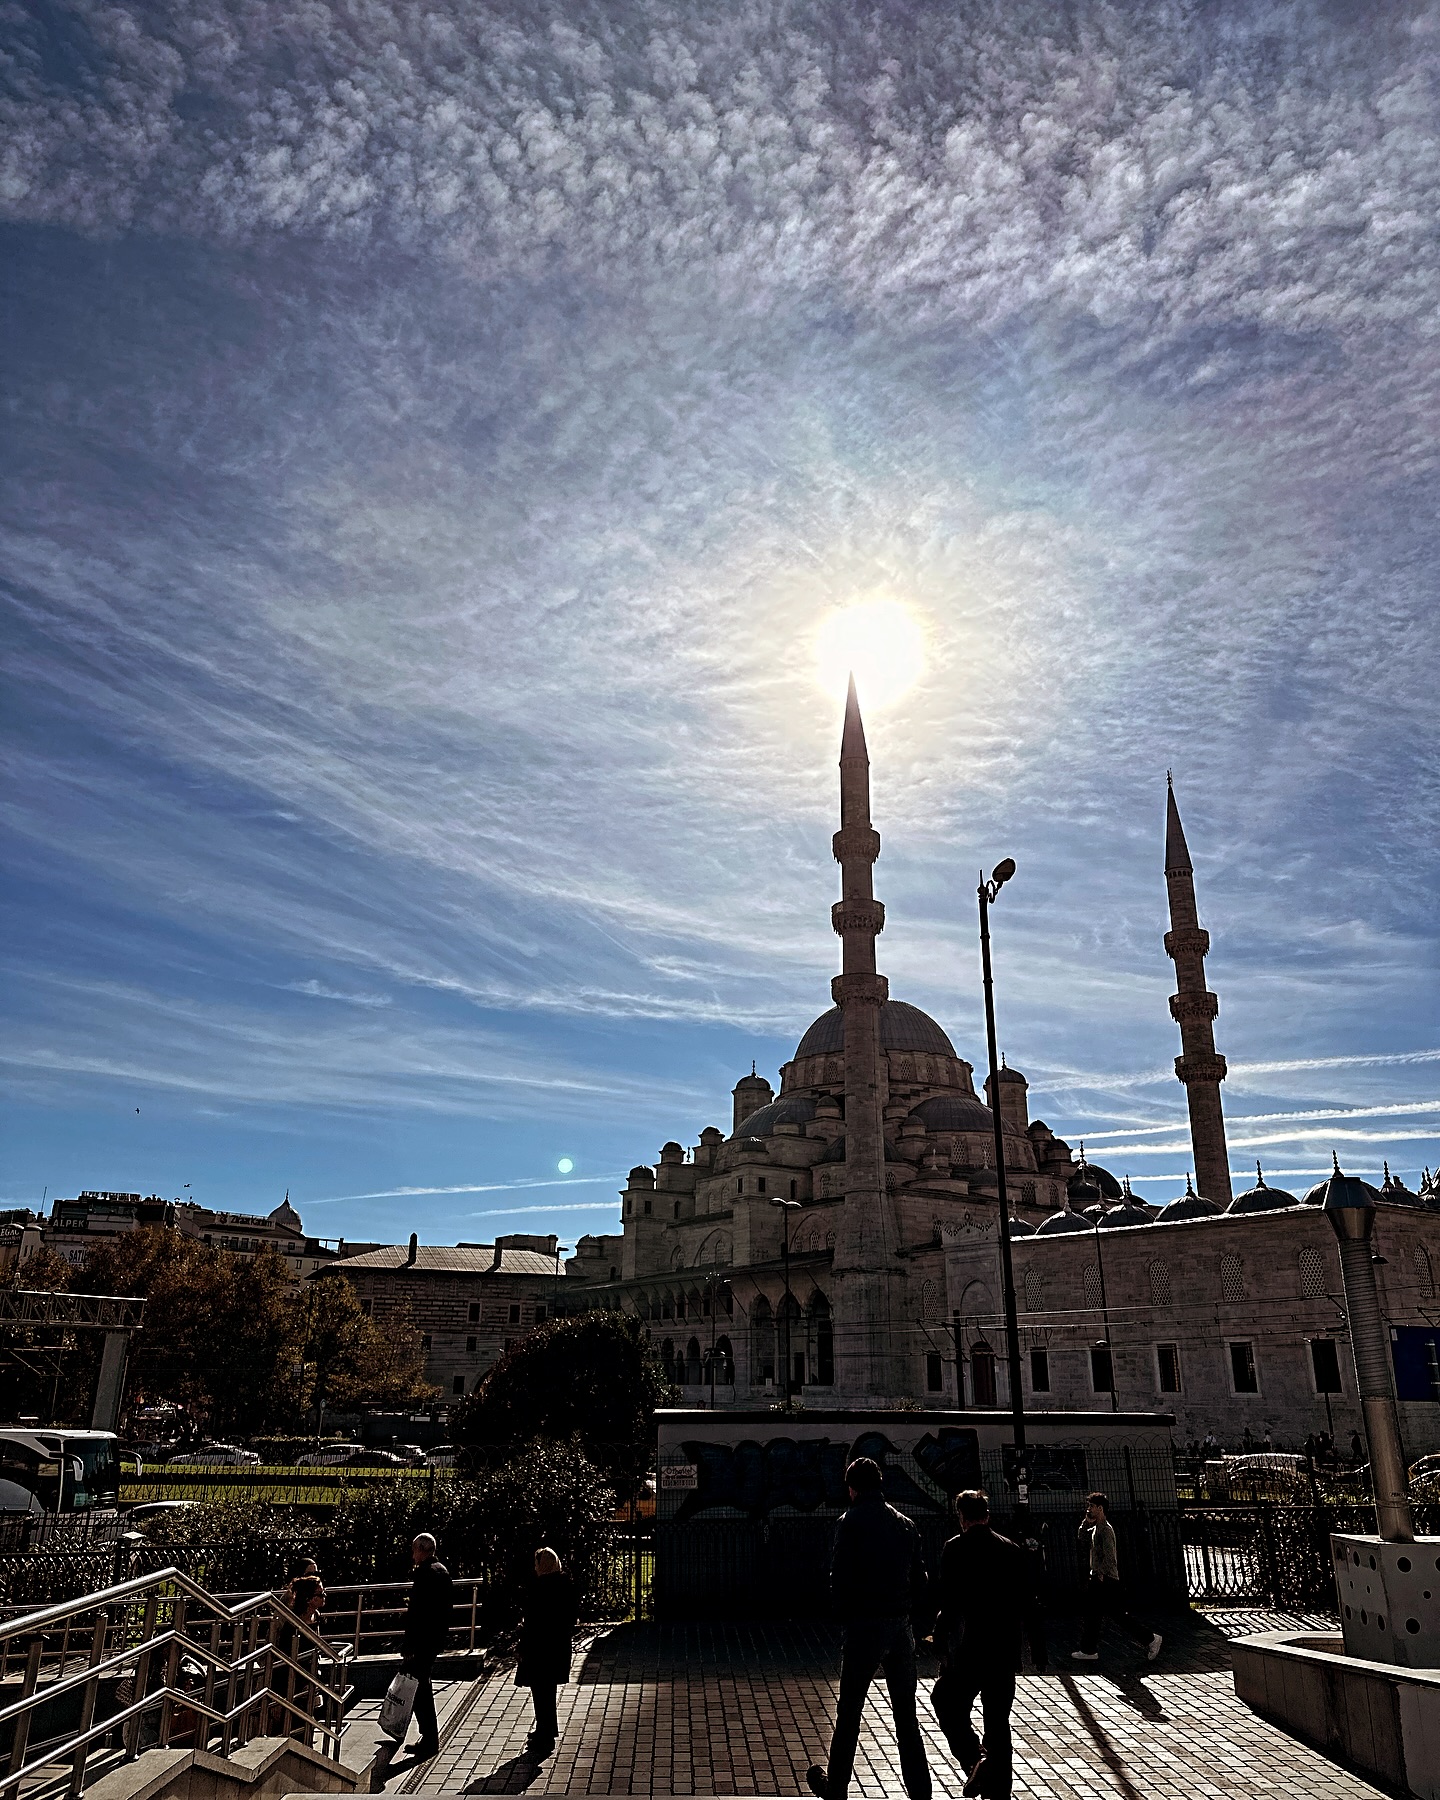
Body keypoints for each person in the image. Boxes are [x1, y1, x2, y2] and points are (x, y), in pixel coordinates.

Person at [806, 1457, 932, 1800]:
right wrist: (913, 1623)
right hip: (900, 1626)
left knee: (849, 1712)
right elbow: (921, 1579)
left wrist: (845, 1617)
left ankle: (838, 1787)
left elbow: (838, 1578)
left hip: (864, 1627)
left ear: (852, 1488)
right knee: (906, 1716)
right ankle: (920, 1790)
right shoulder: (905, 1524)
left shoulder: (849, 1522)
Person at [931, 1490, 1043, 1800]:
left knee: (946, 1702)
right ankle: (999, 1793)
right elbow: (1028, 1601)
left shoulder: (954, 1548)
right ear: (987, 1515)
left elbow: (949, 1603)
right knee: (998, 1722)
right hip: (1005, 1650)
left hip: (970, 1649)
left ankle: (974, 1759)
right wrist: (1038, 1646)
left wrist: (940, 1642)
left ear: (961, 1517)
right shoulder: (1010, 1549)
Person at [1070, 1494, 1161, 1664]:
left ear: (1100, 1508)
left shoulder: (1105, 1530)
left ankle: (1151, 1639)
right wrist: (1085, 1522)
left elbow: (1110, 1556)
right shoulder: (1097, 1528)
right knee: (1095, 1616)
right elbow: (1082, 1538)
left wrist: (1102, 1575)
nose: (1088, 1509)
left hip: (1105, 1580)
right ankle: (1089, 1650)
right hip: (1100, 1579)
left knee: (1115, 1616)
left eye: (1092, 1506)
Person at [516, 1547, 578, 1755]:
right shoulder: (565, 1584)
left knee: (541, 1692)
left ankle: (545, 1732)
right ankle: (547, 1729)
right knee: (548, 1691)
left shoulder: (540, 1588)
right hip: (556, 1647)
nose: (534, 1568)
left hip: (539, 1649)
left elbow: (533, 1623)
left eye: (536, 1563)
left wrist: (522, 1646)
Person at [401, 1531, 455, 1760]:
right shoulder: (442, 1571)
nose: (412, 1554)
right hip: (434, 1639)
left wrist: (409, 1644)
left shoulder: (424, 1574)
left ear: (422, 1550)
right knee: (423, 1686)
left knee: (421, 1690)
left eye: (414, 1550)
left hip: (422, 1641)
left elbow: (417, 1614)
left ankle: (429, 1737)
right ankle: (429, 1736)